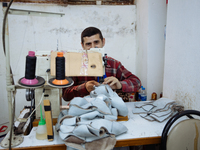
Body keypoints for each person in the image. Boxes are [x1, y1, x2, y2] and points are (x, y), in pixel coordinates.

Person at [62, 27, 141, 101]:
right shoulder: (75, 66)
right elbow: (65, 95)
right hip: (84, 110)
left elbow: (136, 82)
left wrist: (119, 85)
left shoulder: (114, 64)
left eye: (96, 42)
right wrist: (84, 88)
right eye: (88, 44)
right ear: (82, 46)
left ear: (103, 42)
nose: (93, 48)